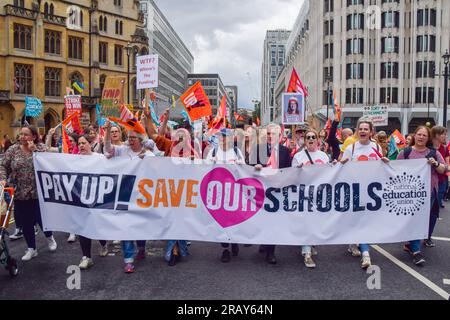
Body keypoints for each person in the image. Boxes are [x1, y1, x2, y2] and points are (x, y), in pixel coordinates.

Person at [0, 125, 57, 261]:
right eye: (21, 134)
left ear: (34, 137)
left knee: (41, 219)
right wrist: (2, 178)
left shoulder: (40, 148)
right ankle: (32, 248)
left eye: (26, 135)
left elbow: (49, 164)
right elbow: (3, 165)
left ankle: (49, 237)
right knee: (26, 222)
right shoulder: (13, 150)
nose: (22, 137)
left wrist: (35, 152)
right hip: (20, 192)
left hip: (39, 192)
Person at [104, 120, 154, 273]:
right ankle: (128, 261)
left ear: (140, 140)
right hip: (124, 195)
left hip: (141, 196)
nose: (130, 140)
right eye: (129, 138)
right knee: (125, 227)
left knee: (139, 226)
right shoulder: (123, 150)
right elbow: (108, 149)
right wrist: (106, 131)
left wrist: (147, 160)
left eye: (133, 138)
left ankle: (141, 248)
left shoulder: (149, 154)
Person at [341, 118, 389, 269]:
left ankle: (363, 249)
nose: (362, 131)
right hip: (355, 189)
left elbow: (381, 166)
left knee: (366, 221)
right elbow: (341, 167)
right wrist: (341, 163)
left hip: (371, 191)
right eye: (360, 128)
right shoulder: (352, 148)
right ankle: (363, 251)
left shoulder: (376, 147)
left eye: (365, 129)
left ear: (371, 132)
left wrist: (385, 162)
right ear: (357, 131)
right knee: (358, 219)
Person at [397, 126, 446, 265]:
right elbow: (394, 168)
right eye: (419, 134)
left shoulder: (433, 153)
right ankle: (416, 252)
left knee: (427, 220)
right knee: (416, 221)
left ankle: (412, 244)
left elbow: (444, 169)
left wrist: (435, 164)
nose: (421, 137)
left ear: (428, 138)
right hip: (411, 195)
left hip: (430, 193)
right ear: (415, 135)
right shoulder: (405, 153)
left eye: (424, 135)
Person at [253, 123, 292, 264]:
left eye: (273, 134)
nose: (270, 136)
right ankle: (264, 242)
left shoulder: (285, 151)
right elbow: (247, 167)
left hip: (277, 192)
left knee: (274, 221)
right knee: (263, 220)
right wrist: (254, 167)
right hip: (261, 191)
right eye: (268, 133)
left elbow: (289, 171)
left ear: (279, 136)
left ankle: (271, 252)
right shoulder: (258, 149)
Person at [206, 128, 245, 263]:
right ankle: (225, 249)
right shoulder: (214, 151)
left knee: (233, 218)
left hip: (233, 191)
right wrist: (210, 162)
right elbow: (204, 170)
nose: (223, 139)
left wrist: (240, 165)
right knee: (221, 220)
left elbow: (245, 171)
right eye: (221, 137)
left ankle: (234, 240)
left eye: (226, 137)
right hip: (218, 193)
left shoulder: (236, 152)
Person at [292, 129, 330, 268]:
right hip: (304, 193)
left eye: (313, 137)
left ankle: (311, 243)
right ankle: (306, 252)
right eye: (308, 137)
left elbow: (330, 173)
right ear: (304, 140)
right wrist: (298, 169)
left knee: (317, 221)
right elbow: (292, 175)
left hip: (320, 193)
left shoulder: (324, 156)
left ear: (317, 140)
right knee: (307, 221)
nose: (311, 139)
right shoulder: (298, 156)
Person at [74, 134, 109, 269]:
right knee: (83, 227)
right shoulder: (74, 160)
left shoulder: (99, 158)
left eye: (84, 143)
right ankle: (86, 257)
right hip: (81, 198)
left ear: (90, 144)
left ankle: (103, 244)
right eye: (79, 144)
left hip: (98, 199)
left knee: (97, 226)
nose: (81, 145)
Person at [431, 126, 449, 210]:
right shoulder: (427, 147)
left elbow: (447, 165)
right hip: (430, 179)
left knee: (438, 199)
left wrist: (445, 167)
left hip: (442, 179)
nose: (445, 136)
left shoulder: (445, 148)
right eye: (444, 134)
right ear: (437, 135)